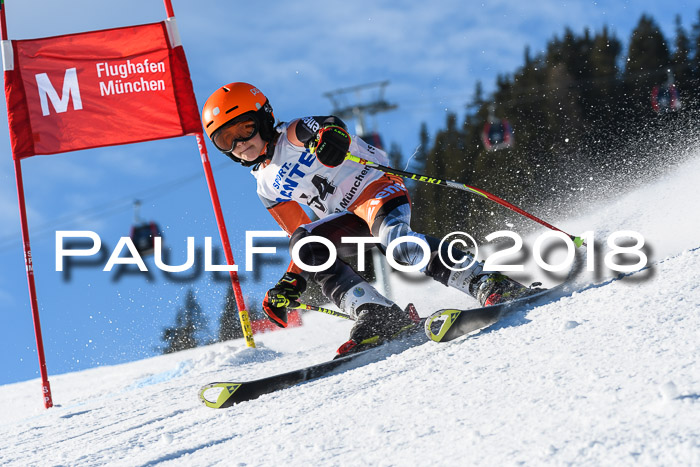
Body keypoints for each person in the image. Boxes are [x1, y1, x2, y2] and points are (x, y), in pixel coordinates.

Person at [201, 82, 536, 357]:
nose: (240, 144)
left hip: (376, 190)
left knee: (398, 245)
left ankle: (487, 282)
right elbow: (301, 235)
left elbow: (329, 125)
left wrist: (330, 139)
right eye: (225, 140)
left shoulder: (294, 132)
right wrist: (292, 281)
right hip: (346, 218)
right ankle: (378, 316)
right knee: (306, 244)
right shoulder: (266, 187)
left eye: (244, 129)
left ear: (263, 118)